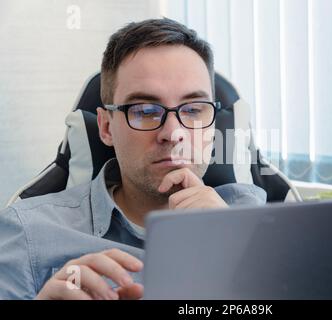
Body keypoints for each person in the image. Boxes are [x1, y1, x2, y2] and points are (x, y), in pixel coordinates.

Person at [0, 18, 266, 300]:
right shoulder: (27, 233)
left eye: (193, 109)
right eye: (145, 110)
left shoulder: (260, 223)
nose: (173, 133)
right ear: (105, 127)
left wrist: (235, 249)